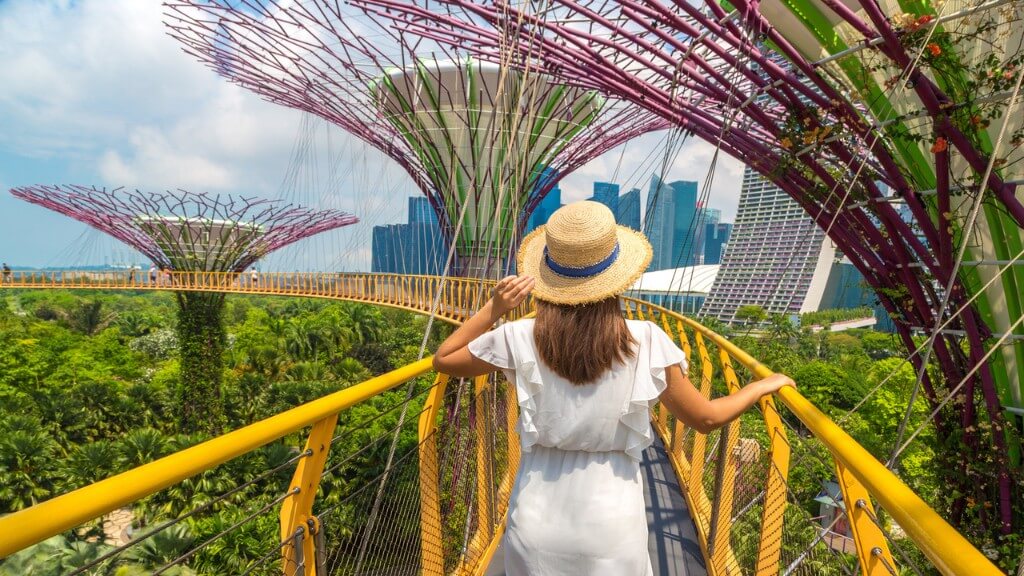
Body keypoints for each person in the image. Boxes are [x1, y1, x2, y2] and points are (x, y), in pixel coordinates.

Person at [433, 201, 794, 575]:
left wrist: (494, 308)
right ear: (617, 280)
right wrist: (759, 386)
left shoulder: (517, 336)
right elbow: (705, 418)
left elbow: (445, 359)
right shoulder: (647, 341)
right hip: (611, 525)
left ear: (546, 278)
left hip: (536, 520)